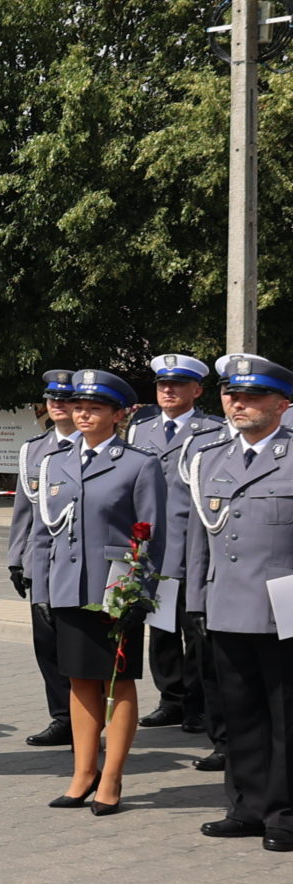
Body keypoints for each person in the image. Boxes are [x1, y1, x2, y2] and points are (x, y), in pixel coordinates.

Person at [34, 371, 164, 815]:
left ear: (117, 414)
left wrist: (140, 593)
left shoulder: (139, 464)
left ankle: (111, 777)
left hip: (114, 590)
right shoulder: (57, 461)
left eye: (94, 408)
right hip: (68, 587)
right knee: (78, 679)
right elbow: (45, 533)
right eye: (78, 407)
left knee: (117, 682)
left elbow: (152, 536)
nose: (83, 414)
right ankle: (82, 772)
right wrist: (42, 589)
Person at [183, 354, 293, 849]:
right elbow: (197, 538)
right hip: (226, 604)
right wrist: (196, 601)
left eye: (252, 397)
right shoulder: (210, 458)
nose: (238, 404)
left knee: (284, 716)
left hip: (284, 606)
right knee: (240, 713)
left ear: (282, 405)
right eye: (232, 395)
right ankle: (246, 806)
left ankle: (284, 814)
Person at [131, 355, 228, 734]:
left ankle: (197, 704)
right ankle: (170, 699)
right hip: (153, 549)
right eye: (162, 385)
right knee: (161, 631)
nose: (168, 391)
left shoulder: (214, 429)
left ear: (197, 390)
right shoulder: (141, 429)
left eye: (177, 385)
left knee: (196, 632)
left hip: (192, 547)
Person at [7, 370, 79, 747]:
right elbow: (24, 510)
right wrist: (16, 559)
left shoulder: (95, 447)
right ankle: (62, 717)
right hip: (42, 563)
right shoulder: (33, 450)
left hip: (82, 565)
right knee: (47, 645)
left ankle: (89, 721)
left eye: (66, 399)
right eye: (52, 398)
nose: (57, 405)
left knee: (81, 649)